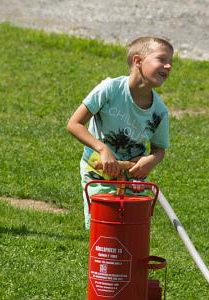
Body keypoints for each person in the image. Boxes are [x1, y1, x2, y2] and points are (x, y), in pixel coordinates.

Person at [67, 36, 173, 229]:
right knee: (104, 231)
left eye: (170, 62)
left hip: (134, 178)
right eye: (162, 59)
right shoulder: (110, 89)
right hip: (98, 173)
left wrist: (152, 160)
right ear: (138, 61)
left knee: (131, 232)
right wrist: (102, 149)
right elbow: (74, 124)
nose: (168, 66)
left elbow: (159, 149)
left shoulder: (160, 112)